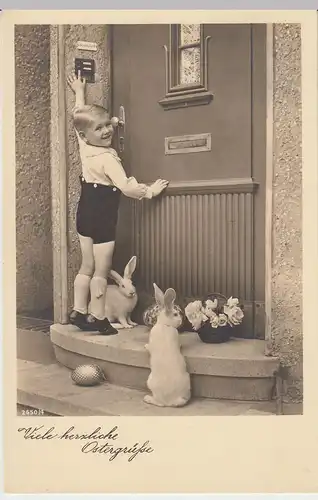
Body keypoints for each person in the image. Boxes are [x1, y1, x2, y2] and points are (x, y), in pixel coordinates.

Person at [67, 72, 169, 335]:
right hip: (102, 217)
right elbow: (125, 186)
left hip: (84, 213)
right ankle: (98, 318)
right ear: (86, 133)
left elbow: (78, 114)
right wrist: (149, 192)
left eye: (107, 125)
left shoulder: (83, 144)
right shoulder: (109, 160)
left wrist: (79, 92)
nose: (106, 131)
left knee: (86, 265)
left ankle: (78, 310)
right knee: (101, 270)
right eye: (99, 128)